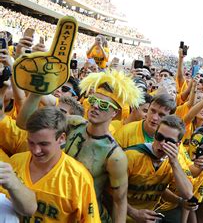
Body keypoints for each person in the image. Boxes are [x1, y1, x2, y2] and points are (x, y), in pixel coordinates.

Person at [17, 70, 144, 223]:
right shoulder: (73, 123)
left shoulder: (114, 155)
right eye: (93, 100)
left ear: (114, 112)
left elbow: (119, 201)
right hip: (50, 203)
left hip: (84, 215)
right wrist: (36, 92)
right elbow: (24, 123)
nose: (95, 106)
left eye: (104, 105)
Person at [10, 107, 100, 222]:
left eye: (44, 144)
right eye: (31, 142)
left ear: (61, 138)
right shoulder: (15, 162)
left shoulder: (79, 178)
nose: (36, 150)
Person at [125, 115, 194, 223]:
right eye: (159, 137)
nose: (162, 143)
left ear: (178, 144)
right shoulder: (132, 156)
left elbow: (188, 194)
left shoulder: (175, 161)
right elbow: (109, 192)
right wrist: (134, 213)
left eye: (169, 141)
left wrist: (174, 163)